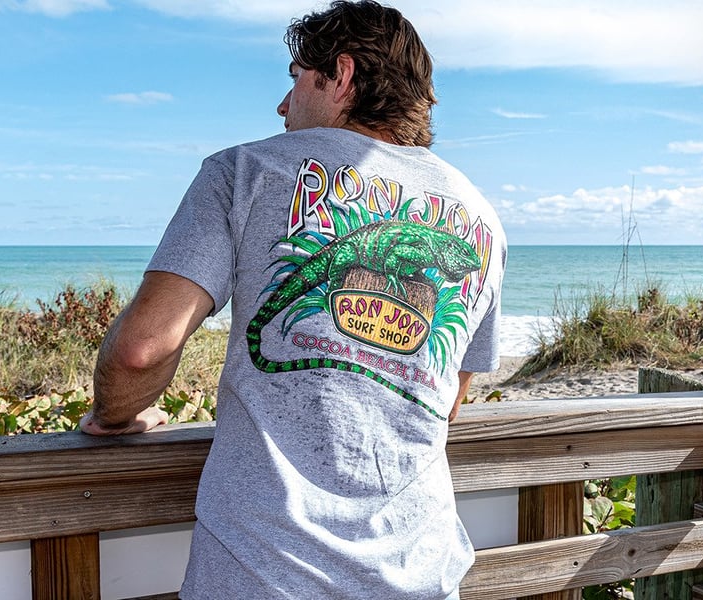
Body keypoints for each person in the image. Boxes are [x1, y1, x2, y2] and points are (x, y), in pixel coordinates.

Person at [80, 2, 506, 598]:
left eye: (296, 79)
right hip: (419, 574)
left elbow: (142, 350)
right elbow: (449, 395)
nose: (283, 105)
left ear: (343, 76)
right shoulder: (482, 217)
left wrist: (114, 417)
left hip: (264, 572)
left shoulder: (244, 170)